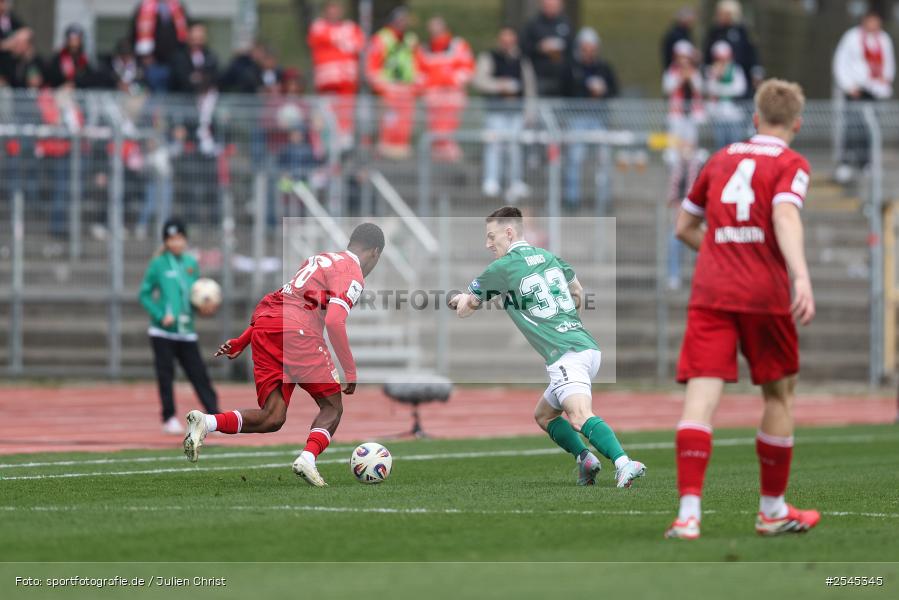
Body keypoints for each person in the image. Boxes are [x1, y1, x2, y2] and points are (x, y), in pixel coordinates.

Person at [665, 79, 819, 540]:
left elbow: (683, 226)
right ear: (797, 123)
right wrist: (801, 275)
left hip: (712, 292)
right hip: (763, 295)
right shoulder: (792, 162)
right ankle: (771, 510)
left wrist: (718, 251)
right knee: (778, 396)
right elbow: (785, 214)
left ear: (755, 118)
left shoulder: (721, 158)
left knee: (700, 399)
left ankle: (688, 515)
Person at [450, 207, 646, 488]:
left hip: (565, 355)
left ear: (509, 232)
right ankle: (585, 458)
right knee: (544, 415)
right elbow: (578, 292)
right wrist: (565, 322)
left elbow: (466, 310)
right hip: (586, 347)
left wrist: (458, 298)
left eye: (491, 236)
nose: (488, 244)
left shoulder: (502, 268)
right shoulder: (550, 256)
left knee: (579, 416)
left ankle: (624, 463)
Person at [182, 223, 385, 487]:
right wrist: (351, 370)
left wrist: (245, 339)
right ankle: (308, 459)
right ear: (375, 252)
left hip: (267, 326)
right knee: (331, 406)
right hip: (297, 331)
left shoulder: (318, 259)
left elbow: (283, 296)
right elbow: (335, 321)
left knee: (273, 416)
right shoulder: (353, 273)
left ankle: (206, 422)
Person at [139, 218, 220, 435]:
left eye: (179, 238)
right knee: (165, 374)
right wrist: (159, 314)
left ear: (185, 239)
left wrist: (204, 307)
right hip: (162, 332)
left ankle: (215, 417)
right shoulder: (158, 264)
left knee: (199, 374)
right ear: (165, 241)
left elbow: (194, 295)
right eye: (171, 239)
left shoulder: (191, 264)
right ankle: (168, 417)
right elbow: (144, 294)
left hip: (186, 331)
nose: (176, 242)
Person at [832, 9, 895, 182]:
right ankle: (845, 162)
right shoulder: (851, 37)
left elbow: (888, 63)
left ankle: (865, 163)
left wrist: (886, 81)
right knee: (852, 127)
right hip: (855, 90)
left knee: (871, 129)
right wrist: (847, 85)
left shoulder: (883, 39)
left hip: (874, 91)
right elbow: (840, 62)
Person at [474, 27, 536, 200]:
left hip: (515, 112)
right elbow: (479, 81)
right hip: (496, 112)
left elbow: (529, 86)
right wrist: (499, 86)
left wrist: (529, 112)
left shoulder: (521, 60)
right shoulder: (489, 57)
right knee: (494, 146)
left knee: (515, 148)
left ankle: (515, 181)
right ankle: (491, 180)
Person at [663, 40, 705, 290]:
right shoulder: (676, 161)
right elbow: (673, 189)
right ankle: (674, 275)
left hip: (697, 205)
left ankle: (702, 277)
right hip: (682, 205)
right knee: (675, 235)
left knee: (704, 237)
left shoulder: (698, 159)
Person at [561, 27, 618, 210]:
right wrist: (584, 91)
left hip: (598, 118)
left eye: (592, 47)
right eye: (585, 47)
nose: (589, 51)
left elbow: (615, 90)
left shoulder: (603, 67)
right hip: (578, 118)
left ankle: (604, 199)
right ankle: (572, 199)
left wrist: (603, 91)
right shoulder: (571, 67)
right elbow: (564, 91)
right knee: (575, 158)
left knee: (603, 159)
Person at [307, 0, 364, 150]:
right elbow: (321, 38)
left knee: (345, 119)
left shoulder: (351, 27)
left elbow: (358, 44)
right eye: (331, 8)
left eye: (336, 8)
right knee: (325, 117)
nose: (334, 11)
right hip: (326, 81)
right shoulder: (318, 26)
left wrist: (336, 40)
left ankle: (344, 146)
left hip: (346, 81)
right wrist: (341, 40)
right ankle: (324, 147)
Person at [417, 17, 474, 162]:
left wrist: (451, 82)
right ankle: (436, 152)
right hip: (433, 96)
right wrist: (429, 87)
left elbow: (467, 68)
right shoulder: (424, 49)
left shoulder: (458, 45)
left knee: (451, 126)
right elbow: (419, 73)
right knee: (434, 126)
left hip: (452, 94)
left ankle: (450, 152)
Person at [366, 7, 419, 159]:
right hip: (388, 87)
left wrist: (415, 83)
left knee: (405, 121)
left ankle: (401, 148)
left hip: (406, 87)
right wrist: (380, 84)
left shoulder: (411, 39)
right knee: (388, 120)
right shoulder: (382, 38)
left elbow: (416, 62)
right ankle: (385, 148)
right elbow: (372, 64)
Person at [703, 0, 761, 98]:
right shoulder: (714, 31)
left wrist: (756, 72)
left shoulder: (742, 30)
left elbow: (751, 53)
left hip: (739, 74)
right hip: (717, 74)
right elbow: (707, 54)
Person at [131, 0, 190, 92]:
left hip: (175, 61)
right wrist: (144, 55)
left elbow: (185, 33)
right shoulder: (144, 7)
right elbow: (134, 34)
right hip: (153, 60)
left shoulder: (178, 7)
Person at [521, 0, 573, 97]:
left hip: (562, 76)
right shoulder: (533, 24)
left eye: (554, 5)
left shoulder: (566, 23)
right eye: (548, 5)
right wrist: (539, 47)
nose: (550, 8)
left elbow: (571, 47)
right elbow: (524, 47)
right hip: (539, 75)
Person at [705, 40, 747, 149]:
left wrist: (721, 87)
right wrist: (717, 77)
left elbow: (740, 89)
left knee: (735, 145)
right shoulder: (711, 71)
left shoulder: (736, 69)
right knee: (720, 147)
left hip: (734, 115)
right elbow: (710, 88)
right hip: (718, 114)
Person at [172, 22, 219, 95]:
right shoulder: (180, 57)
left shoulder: (211, 56)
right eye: (194, 39)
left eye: (200, 38)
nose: (197, 43)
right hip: (184, 98)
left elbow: (215, 76)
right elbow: (179, 78)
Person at [45, 24, 94, 88]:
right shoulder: (59, 58)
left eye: (77, 39)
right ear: (67, 40)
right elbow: (52, 77)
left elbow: (89, 78)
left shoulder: (83, 60)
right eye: (72, 40)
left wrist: (75, 83)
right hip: (60, 93)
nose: (75, 43)